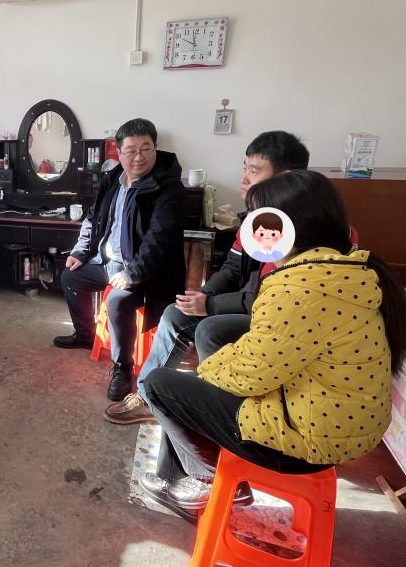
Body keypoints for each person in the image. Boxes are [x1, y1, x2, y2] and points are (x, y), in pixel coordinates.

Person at [139, 170, 406, 523]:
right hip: (341, 423)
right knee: (211, 341)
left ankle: (212, 482)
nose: (250, 228)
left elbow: (251, 376)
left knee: (159, 384)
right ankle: (180, 475)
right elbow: (266, 347)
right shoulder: (345, 267)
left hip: (310, 441)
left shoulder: (298, 288)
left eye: (258, 219)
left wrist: (207, 374)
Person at [104, 130, 310, 424]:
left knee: (207, 329)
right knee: (178, 313)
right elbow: (232, 267)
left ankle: (208, 407)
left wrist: (210, 306)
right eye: (244, 168)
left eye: (254, 171)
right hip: (252, 304)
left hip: (280, 320)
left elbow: (268, 298)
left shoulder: (295, 230)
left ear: (285, 177)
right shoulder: (257, 218)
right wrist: (204, 295)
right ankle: (151, 396)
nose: (243, 178)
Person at [53, 118, 187, 402]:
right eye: (131, 150)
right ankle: (85, 334)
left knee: (117, 301)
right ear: (119, 152)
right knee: (69, 278)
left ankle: (122, 368)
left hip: (145, 272)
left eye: (146, 149)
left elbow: (159, 240)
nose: (139, 157)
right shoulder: (113, 179)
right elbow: (93, 218)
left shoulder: (168, 188)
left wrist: (132, 274)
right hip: (106, 262)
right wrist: (80, 250)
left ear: (155, 148)